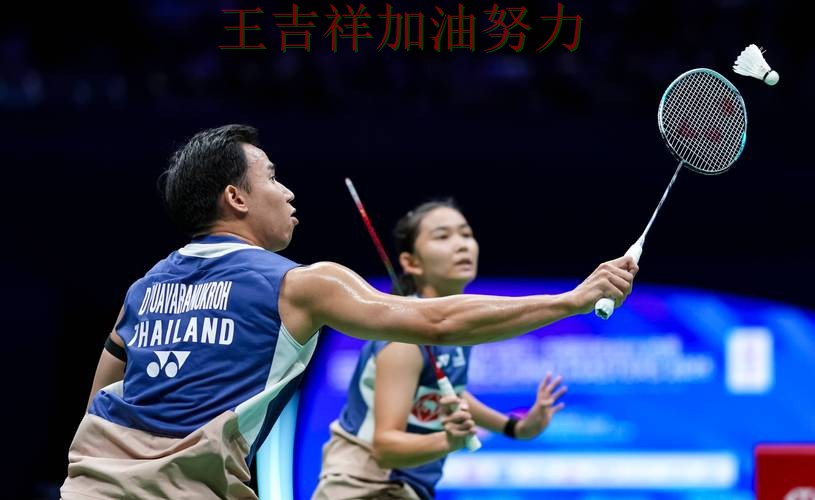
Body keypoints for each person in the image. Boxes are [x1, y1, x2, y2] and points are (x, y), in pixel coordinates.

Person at [60, 124, 638, 499]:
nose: (288, 193)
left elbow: (100, 399)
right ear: (235, 198)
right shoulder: (300, 284)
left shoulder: (144, 289)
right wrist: (571, 300)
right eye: (272, 178)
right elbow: (436, 321)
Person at [312, 200, 567, 500]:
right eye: (443, 236)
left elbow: (447, 393)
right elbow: (386, 448)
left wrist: (514, 427)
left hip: (398, 488)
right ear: (411, 262)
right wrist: (449, 441)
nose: (461, 245)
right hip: (364, 487)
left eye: (466, 234)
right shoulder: (405, 340)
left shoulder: (453, 330)